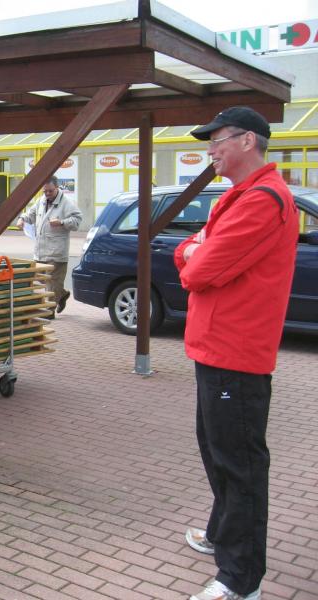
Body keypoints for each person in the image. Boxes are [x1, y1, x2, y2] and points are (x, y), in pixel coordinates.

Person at [174, 106, 299, 600]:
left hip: (236, 354)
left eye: (217, 139)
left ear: (248, 141)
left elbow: (198, 271)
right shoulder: (240, 196)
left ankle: (240, 580)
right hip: (216, 348)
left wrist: (198, 252)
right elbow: (189, 250)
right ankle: (222, 533)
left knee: (239, 463)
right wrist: (197, 248)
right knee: (217, 450)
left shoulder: (263, 200)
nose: (211, 149)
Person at [16, 175, 82, 317]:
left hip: (57, 252)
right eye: (44, 191)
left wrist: (61, 222)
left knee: (52, 283)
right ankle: (62, 294)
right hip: (40, 250)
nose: (47, 194)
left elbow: (77, 221)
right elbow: (30, 214)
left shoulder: (67, 203)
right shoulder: (41, 201)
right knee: (41, 278)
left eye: (50, 191)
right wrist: (22, 219)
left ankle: (49, 312)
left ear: (57, 187)